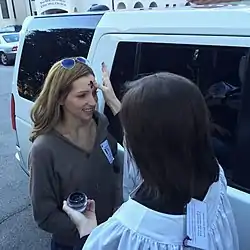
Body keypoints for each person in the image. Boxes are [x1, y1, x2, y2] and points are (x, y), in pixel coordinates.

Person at [63, 72, 239, 250]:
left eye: (130, 132)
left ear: (143, 147)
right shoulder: (215, 178)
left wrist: (88, 231)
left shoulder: (126, 232)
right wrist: (114, 102)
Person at [29, 57, 123, 250]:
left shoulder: (101, 124)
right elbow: (44, 215)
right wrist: (85, 229)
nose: (92, 102)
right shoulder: (44, 150)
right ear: (60, 98)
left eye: (94, 93)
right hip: (73, 244)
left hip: (111, 236)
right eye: (82, 96)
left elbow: (115, 166)